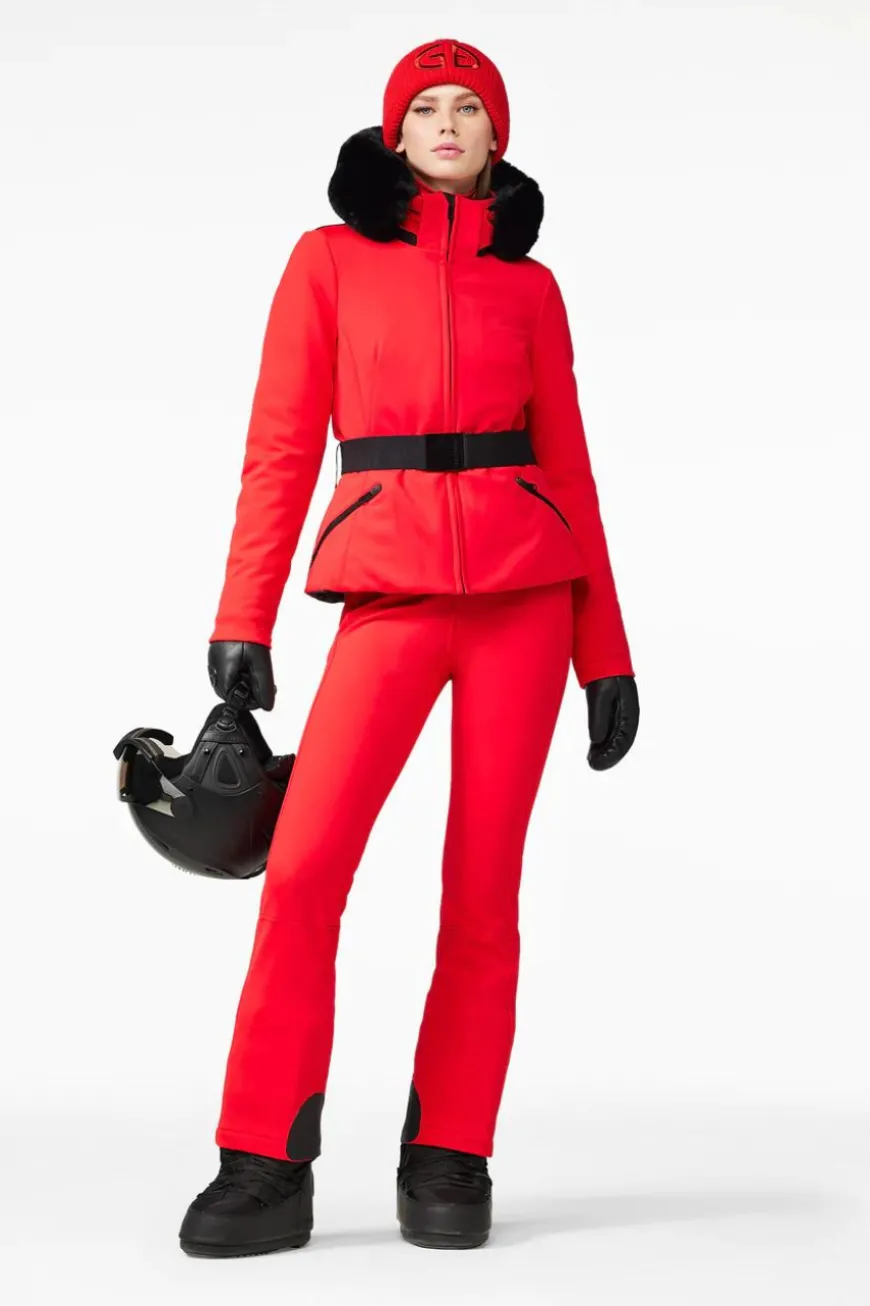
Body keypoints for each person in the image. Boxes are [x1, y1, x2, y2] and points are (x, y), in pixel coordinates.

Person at [178, 36, 640, 1258]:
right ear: (396, 135)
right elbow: (281, 445)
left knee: (483, 889)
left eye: (467, 107)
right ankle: (263, 1158)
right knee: (305, 867)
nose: (445, 122)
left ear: (495, 135)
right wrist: (243, 617)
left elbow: (571, 469)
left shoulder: (531, 287)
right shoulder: (327, 261)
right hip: (387, 596)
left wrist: (605, 651)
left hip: (525, 602)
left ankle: (450, 1149)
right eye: (425, 107)